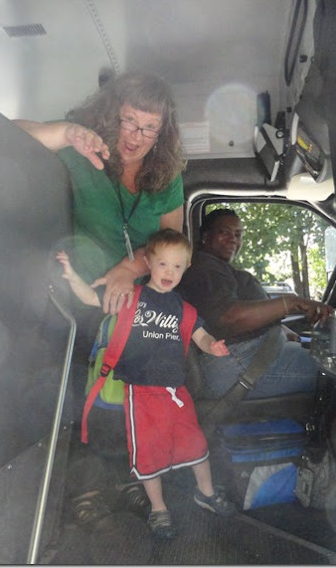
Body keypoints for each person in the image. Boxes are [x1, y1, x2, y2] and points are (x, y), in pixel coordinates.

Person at [14, 71, 187, 524]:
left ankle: (134, 481)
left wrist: (129, 270)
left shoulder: (167, 175)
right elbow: (10, 132)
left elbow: (172, 242)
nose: (136, 137)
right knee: (85, 396)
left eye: (150, 128)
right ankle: (87, 489)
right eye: (129, 121)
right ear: (112, 115)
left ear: (162, 133)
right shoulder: (82, 150)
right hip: (83, 299)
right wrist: (66, 132)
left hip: (137, 304)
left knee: (134, 400)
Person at [56, 228, 236, 538]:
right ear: (148, 262)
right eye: (163, 264)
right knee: (148, 455)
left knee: (196, 445)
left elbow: (201, 336)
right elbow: (88, 297)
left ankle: (205, 493)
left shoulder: (183, 309)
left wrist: (213, 346)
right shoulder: (130, 297)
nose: (169, 272)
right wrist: (71, 276)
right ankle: (158, 509)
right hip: (139, 393)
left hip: (175, 392)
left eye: (177, 266)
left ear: (187, 267)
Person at [176, 208, 333, 400]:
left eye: (238, 235)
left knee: (329, 361)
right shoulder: (204, 269)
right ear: (206, 236)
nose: (233, 239)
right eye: (224, 232)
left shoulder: (218, 268)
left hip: (253, 354)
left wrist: (280, 328)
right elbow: (229, 317)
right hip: (236, 362)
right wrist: (291, 303)